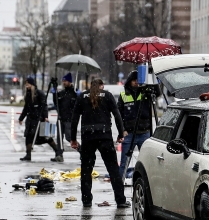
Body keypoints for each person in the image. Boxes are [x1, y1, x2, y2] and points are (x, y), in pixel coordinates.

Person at [71, 79, 129, 208]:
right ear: (102, 86)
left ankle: (86, 200)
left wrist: (73, 138)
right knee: (113, 170)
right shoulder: (107, 95)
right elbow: (117, 115)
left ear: (90, 86)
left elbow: (74, 119)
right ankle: (120, 200)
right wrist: (120, 133)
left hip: (88, 137)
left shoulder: (82, 97)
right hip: (105, 136)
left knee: (86, 171)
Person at [18, 77, 63, 162]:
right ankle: (28, 154)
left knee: (46, 137)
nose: (27, 86)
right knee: (28, 136)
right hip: (30, 119)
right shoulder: (28, 94)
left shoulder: (39, 93)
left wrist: (45, 117)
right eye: (26, 84)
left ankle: (57, 151)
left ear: (32, 84)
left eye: (28, 84)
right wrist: (21, 118)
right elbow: (26, 108)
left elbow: (44, 105)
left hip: (39, 119)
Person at [117, 70, 152, 178]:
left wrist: (150, 76)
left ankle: (147, 186)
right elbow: (118, 115)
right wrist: (122, 130)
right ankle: (120, 188)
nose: (136, 82)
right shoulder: (123, 95)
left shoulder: (146, 92)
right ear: (129, 81)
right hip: (129, 134)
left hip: (144, 133)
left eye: (138, 80)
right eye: (134, 80)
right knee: (124, 164)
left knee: (148, 164)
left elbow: (158, 93)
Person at [55, 72, 79, 159]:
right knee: (59, 137)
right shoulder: (61, 93)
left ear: (70, 82)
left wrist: (78, 95)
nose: (64, 82)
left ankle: (81, 150)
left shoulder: (74, 93)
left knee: (69, 137)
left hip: (69, 119)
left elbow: (78, 105)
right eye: (63, 81)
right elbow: (56, 103)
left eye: (65, 81)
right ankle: (59, 154)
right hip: (60, 118)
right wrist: (54, 93)